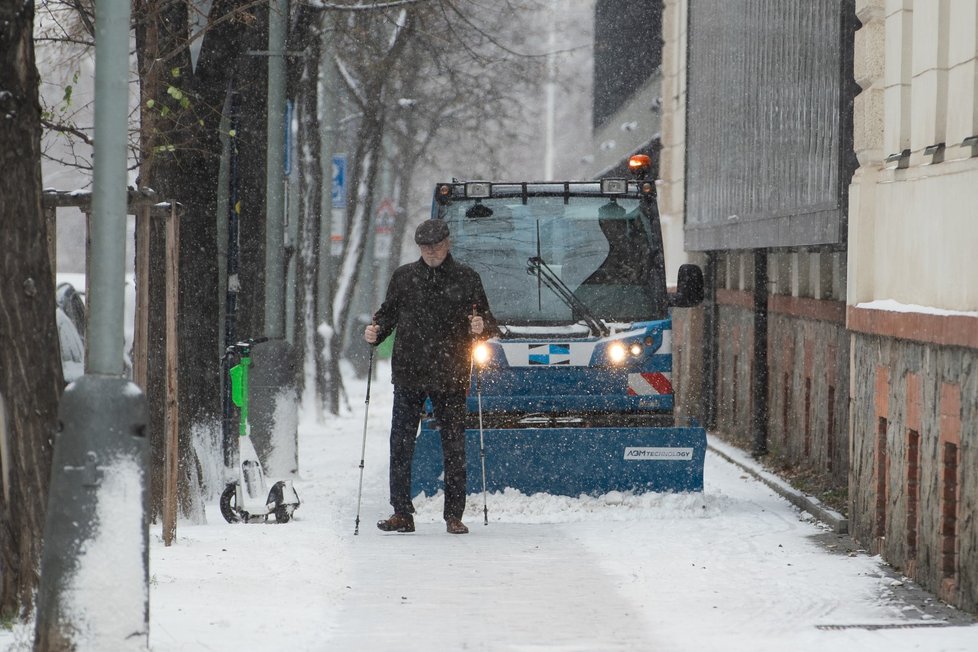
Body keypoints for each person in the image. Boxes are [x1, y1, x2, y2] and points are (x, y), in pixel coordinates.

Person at [364, 219, 496, 535]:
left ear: (447, 243)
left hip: (451, 374)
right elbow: (387, 316)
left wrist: (480, 327)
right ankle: (401, 512)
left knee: (453, 445)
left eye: (435, 246)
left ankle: (454, 514)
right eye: (425, 247)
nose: (431, 251)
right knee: (401, 443)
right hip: (409, 373)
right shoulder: (404, 277)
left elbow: (487, 322)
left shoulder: (466, 278)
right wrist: (375, 332)